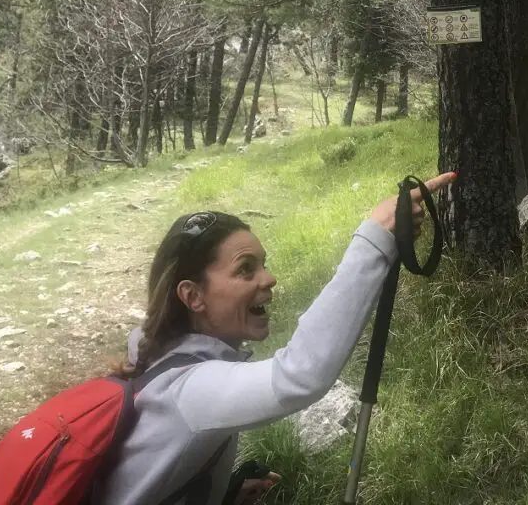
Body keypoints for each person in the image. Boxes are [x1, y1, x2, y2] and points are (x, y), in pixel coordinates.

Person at [92, 171, 458, 505]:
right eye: (245, 269)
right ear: (193, 297)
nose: (269, 279)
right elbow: (298, 375)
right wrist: (376, 237)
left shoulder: (165, 358)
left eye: (262, 264)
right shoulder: (189, 389)